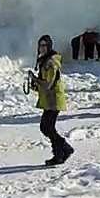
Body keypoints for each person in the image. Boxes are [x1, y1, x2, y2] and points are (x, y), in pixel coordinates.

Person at [34, 35, 74, 165]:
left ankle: (63, 151)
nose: (42, 48)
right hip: (49, 99)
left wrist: (35, 80)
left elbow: (48, 84)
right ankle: (60, 153)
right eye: (40, 45)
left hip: (54, 99)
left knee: (47, 127)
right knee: (47, 127)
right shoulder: (45, 60)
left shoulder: (50, 62)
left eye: (44, 45)